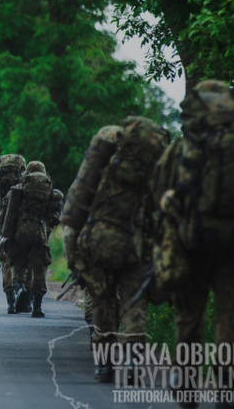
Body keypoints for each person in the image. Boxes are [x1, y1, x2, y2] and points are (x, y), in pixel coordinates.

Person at [153, 81, 234, 409]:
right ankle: (227, 384)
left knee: (189, 313)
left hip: (192, 240)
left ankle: (185, 381)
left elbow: (160, 192)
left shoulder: (184, 148)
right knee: (230, 314)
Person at [65, 117, 168, 381]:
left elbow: (76, 206)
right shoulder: (155, 167)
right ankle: (133, 353)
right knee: (134, 302)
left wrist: (73, 255)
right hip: (136, 243)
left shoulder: (103, 168)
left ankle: (105, 363)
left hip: (100, 239)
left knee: (102, 300)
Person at [0, 161, 58, 317]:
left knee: (19, 263)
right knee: (39, 268)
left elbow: (10, 215)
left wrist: (6, 236)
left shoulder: (18, 190)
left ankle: (20, 287)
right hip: (40, 233)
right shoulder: (51, 191)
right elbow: (54, 217)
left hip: (21, 232)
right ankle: (37, 307)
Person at [0, 154, 26, 313]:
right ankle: (20, 287)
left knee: (6, 261)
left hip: (2, 222)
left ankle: (10, 301)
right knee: (22, 260)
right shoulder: (24, 183)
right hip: (22, 222)